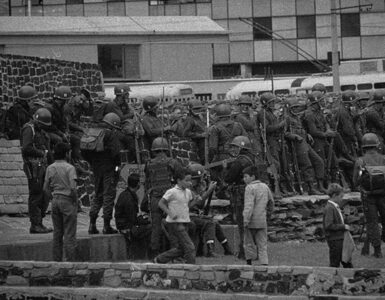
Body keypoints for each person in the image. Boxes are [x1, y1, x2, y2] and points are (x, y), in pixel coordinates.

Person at [143, 137, 182, 256]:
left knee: (156, 228)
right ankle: (174, 252)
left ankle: (153, 253)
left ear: (154, 150)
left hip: (155, 198)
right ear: (166, 149)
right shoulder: (172, 162)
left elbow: (147, 180)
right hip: (169, 199)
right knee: (173, 226)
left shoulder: (149, 163)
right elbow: (180, 177)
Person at [85, 112, 122, 235]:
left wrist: (93, 163)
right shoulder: (110, 134)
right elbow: (116, 153)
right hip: (109, 168)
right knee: (108, 195)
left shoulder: (94, 132)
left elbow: (86, 153)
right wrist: (117, 167)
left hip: (96, 168)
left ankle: (92, 224)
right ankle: (106, 225)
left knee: (98, 194)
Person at [188, 163, 233, 257]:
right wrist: (209, 190)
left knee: (215, 223)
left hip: (195, 215)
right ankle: (210, 250)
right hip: (188, 216)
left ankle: (227, 249)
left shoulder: (198, 186)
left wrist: (208, 189)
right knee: (210, 223)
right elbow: (199, 203)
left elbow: (201, 204)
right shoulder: (188, 188)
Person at [21, 108, 54, 234]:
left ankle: (39, 222)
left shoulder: (40, 131)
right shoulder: (29, 129)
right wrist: (41, 153)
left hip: (42, 167)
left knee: (44, 194)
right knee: (36, 195)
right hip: (33, 167)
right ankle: (35, 224)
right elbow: (26, 148)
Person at [43, 142, 78, 262]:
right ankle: (70, 262)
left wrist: (52, 198)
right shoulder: (70, 168)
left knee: (57, 233)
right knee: (69, 234)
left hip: (55, 200)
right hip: (67, 200)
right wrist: (74, 200)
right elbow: (73, 188)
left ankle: (56, 261)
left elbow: (45, 188)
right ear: (67, 154)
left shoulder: (50, 168)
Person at [353, 133, 385, 258]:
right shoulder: (383, 159)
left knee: (372, 222)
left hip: (368, 196)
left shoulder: (360, 161)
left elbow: (355, 181)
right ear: (377, 145)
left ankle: (377, 251)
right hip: (383, 194)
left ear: (364, 147)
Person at [154, 168, 196, 264]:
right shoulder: (172, 191)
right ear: (179, 180)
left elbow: (187, 206)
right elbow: (161, 203)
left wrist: (195, 201)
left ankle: (159, 259)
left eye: (190, 180)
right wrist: (170, 213)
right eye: (186, 180)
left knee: (181, 249)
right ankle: (191, 268)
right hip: (176, 223)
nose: (189, 183)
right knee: (190, 247)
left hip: (185, 221)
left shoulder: (188, 192)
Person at [114, 173, 151, 259]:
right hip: (126, 226)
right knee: (151, 227)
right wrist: (146, 220)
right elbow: (132, 219)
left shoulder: (128, 194)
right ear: (137, 184)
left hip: (126, 223)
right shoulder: (128, 198)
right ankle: (144, 256)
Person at [242, 166, 274, 266]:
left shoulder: (249, 188)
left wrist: (246, 219)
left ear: (253, 177)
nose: (244, 179)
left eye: (246, 176)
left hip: (251, 220)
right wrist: (268, 213)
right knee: (262, 243)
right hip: (262, 219)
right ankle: (264, 263)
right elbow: (271, 201)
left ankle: (249, 262)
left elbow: (249, 205)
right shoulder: (265, 186)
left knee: (248, 242)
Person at [322, 183, 353, 268]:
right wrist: (343, 227)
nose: (342, 199)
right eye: (341, 197)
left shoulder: (335, 207)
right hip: (334, 239)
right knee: (335, 263)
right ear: (335, 195)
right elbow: (328, 225)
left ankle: (350, 278)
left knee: (346, 261)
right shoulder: (330, 208)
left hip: (339, 238)